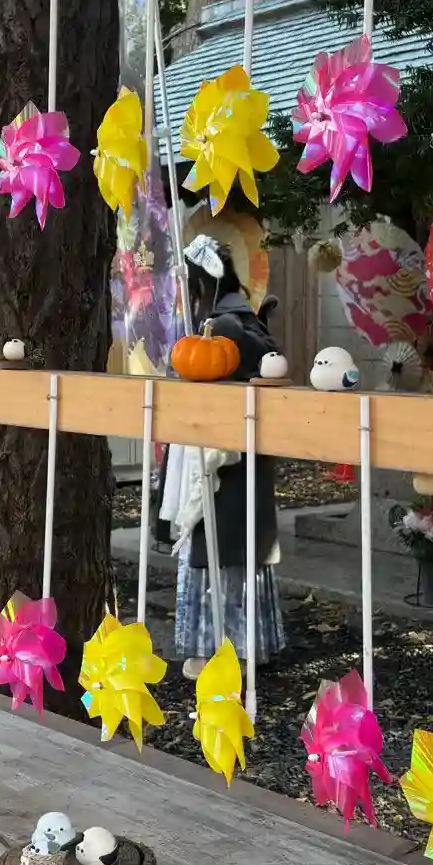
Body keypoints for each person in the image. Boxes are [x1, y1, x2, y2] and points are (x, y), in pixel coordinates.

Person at [162, 235, 286, 672]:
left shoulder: (227, 326)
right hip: (237, 458)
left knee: (221, 550)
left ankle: (222, 651)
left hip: (224, 460)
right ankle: (240, 648)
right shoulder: (241, 319)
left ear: (200, 285)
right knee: (234, 548)